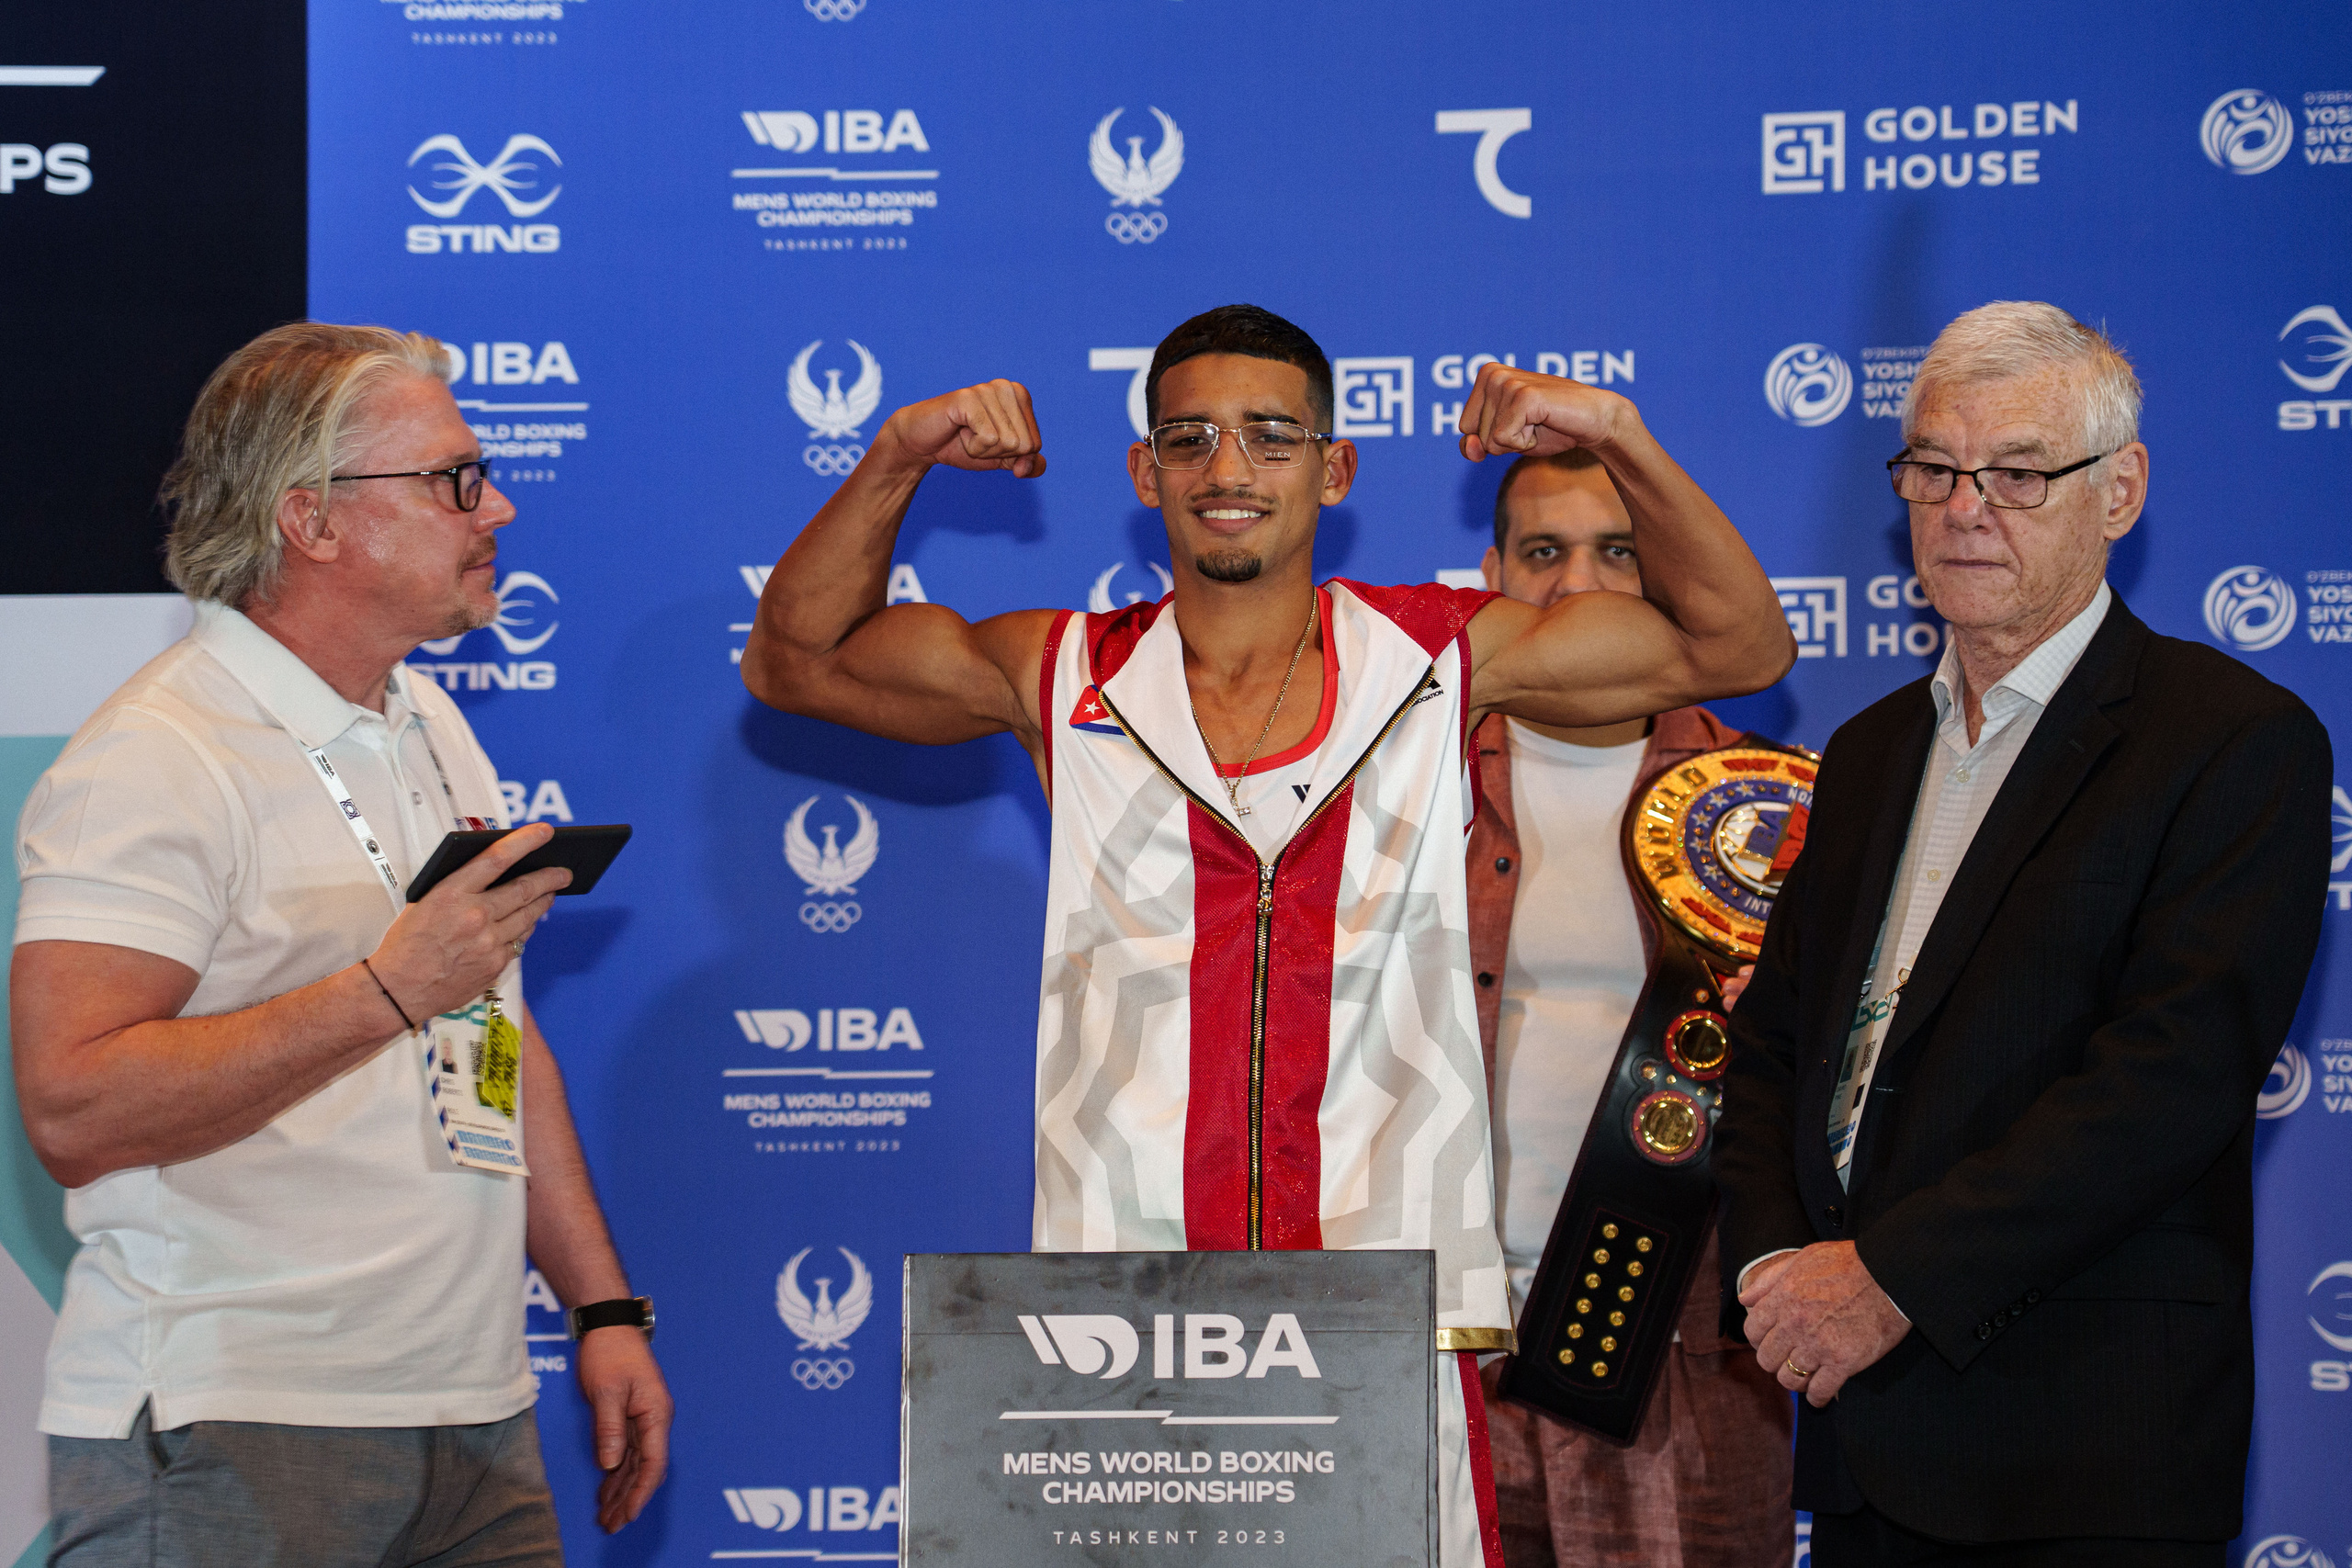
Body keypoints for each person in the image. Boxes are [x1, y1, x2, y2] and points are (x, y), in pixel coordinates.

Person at [741, 302, 1793, 1565]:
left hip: (1382, 1304)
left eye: (1270, 437)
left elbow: (1738, 642)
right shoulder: (1061, 671)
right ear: (1145, 473)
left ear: (1334, 469)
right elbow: (793, 662)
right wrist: (898, 453)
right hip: (1123, 1312)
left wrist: (1617, 432)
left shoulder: (1436, 657)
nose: (1226, 468)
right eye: (1188, 439)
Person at [12, 323, 672, 1564]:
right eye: (455, 480)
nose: (498, 508)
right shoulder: (156, 756)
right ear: (312, 520)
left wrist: (601, 1307)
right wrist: (386, 988)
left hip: (475, 1417)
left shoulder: (426, 719)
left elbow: (494, 1030)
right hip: (234, 1423)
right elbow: (73, 1105)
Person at [1712, 301, 2331, 1566]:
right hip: (1862, 1439)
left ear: (2120, 491)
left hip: (2085, 1450)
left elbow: (2169, 1081)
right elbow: (1778, 1044)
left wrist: (1891, 1277)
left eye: (2017, 473)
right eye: (1934, 469)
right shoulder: (1871, 749)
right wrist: (1778, 1268)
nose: (1964, 508)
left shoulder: (2231, 738)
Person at [1467, 449, 1792, 1567]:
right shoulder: (1401, 785)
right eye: (1542, 552)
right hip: (1444, 1348)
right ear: (1490, 576)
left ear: (1669, 572)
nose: (1579, 584)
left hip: (1687, 1360)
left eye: (1617, 550)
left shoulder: (1771, 809)